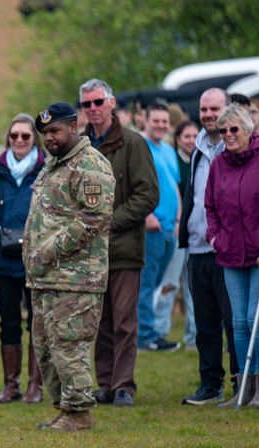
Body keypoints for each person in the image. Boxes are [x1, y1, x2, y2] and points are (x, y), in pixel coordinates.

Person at [25, 102, 115, 431]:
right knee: (46, 347)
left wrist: (50, 250)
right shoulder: (53, 165)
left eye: (54, 131)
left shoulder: (90, 164)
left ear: (73, 128)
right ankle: (65, 408)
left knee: (68, 344)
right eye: (44, 133)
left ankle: (79, 413)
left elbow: (94, 218)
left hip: (76, 277)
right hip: (45, 276)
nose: (48, 138)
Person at [80, 78, 159, 408]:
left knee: (125, 320)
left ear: (112, 103)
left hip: (124, 248)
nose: (94, 109)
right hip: (89, 252)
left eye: (99, 102)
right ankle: (107, 384)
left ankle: (124, 385)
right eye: (87, 104)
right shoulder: (80, 147)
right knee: (101, 322)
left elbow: (149, 194)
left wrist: (110, 222)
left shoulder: (133, 143)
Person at [179, 89, 241, 407]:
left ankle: (241, 383)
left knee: (234, 322)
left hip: (227, 250)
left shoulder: (234, 145)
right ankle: (210, 384)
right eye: (203, 109)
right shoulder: (198, 147)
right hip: (197, 248)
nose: (207, 114)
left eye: (214, 108)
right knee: (204, 324)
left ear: (227, 109)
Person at [0, 114, 46, 404]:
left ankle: (35, 386)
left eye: (25, 136)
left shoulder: (45, 168)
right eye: (14, 135)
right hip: (2, 260)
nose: (19, 140)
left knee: (37, 324)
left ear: (34, 139)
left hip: (36, 260)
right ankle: (11, 386)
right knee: (8, 323)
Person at [205, 104, 259, 407]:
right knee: (238, 322)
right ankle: (244, 387)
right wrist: (215, 238)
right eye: (223, 130)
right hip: (230, 254)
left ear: (247, 130)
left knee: (256, 319)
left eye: (233, 129)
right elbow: (210, 206)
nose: (227, 134)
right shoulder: (218, 164)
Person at [137, 103, 181, 352]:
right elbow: (130, 186)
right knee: (146, 282)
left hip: (168, 229)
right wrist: (146, 215)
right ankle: (145, 336)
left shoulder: (169, 150)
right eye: (157, 120)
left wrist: (177, 220)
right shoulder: (138, 147)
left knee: (154, 284)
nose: (161, 125)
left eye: (165, 121)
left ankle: (147, 331)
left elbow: (174, 186)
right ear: (146, 120)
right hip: (150, 228)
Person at [153, 120, 199, 352]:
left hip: (198, 234)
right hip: (176, 230)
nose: (191, 140)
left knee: (194, 288)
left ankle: (193, 337)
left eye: (194, 135)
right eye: (186, 136)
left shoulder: (203, 158)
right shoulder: (173, 158)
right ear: (178, 138)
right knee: (169, 283)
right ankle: (159, 332)